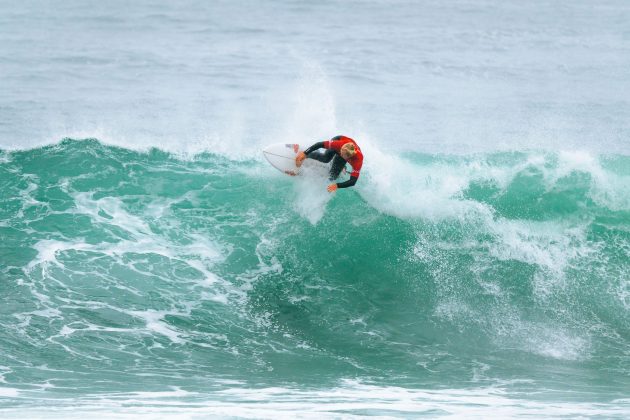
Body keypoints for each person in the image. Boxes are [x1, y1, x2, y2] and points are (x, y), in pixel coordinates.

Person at [295, 135, 363, 192]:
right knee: (326, 158)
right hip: (339, 140)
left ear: (349, 157)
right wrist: (305, 153)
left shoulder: (358, 160)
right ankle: (305, 155)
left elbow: (353, 181)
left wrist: (337, 185)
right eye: (340, 151)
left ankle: (342, 166)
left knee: (332, 177)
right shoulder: (339, 144)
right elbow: (319, 144)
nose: (339, 153)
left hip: (345, 155)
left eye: (341, 153)